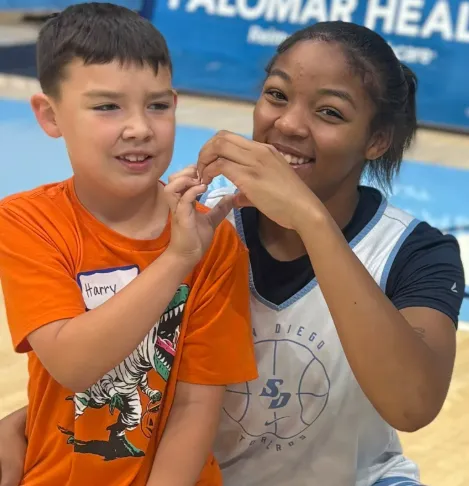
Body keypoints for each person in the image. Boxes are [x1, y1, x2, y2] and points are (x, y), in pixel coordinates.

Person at [0, 19, 464, 486]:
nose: (288, 123)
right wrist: (27, 424)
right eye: (277, 95)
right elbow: (115, 373)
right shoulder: (197, 223)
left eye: (329, 112)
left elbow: (412, 406)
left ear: (377, 139)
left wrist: (311, 220)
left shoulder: (414, 250)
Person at [0, 3, 258, 486]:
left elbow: (196, 406)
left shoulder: (214, 241)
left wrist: (190, 250)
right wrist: (177, 258)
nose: (139, 127)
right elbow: (73, 363)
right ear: (50, 115)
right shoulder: (27, 221)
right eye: (107, 106)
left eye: (157, 106)